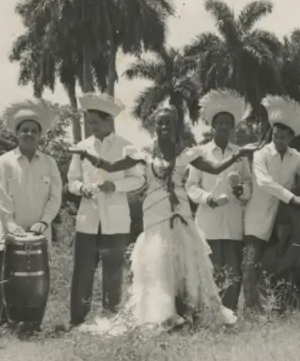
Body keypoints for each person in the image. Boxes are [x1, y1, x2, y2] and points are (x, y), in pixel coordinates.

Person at [69, 106, 260, 332]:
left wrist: (238, 155)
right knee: (158, 259)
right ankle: (162, 314)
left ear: (175, 126)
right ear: (154, 126)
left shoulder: (186, 153)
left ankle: (189, 310)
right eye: (160, 123)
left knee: (185, 258)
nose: (163, 127)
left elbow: (215, 168)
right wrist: (86, 155)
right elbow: (111, 166)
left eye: (168, 123)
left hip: (180, 211)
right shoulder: (144, 154)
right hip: (155, 212)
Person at [68, 93, 144, 328]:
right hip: (88, 219)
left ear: (109, 121)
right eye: (88, 122)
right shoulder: (82, 148)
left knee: (113, 272)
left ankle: (111, 320)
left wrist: (115, 186)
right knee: (83, 271)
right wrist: (81, 188)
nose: (91, 126)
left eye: (95, 122)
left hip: (115, 219)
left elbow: (138, 179)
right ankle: (78, 320)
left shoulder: (125, 146)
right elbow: (72, 180)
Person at [243, 96, 300, 315]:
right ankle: (251, 310)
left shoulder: (295, 157)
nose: (279, 140)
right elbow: (264, 182)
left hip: (283, 220)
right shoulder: (261, 154)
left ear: (291, 138)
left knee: (280, 264)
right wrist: (293, 198)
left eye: (284, 137)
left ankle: (278, 307)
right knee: (251, 263)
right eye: (276, 136)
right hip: (258, 217)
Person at [0, 99, 63, 333]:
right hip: (10, 233)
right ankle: (7, 323)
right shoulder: (4, 162)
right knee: (8, 278)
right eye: (25, 130)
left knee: (36, 279)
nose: (29, 134)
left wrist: (44, 222)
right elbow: (0, 197)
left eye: (34, 130)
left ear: (40, 135)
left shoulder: (49, 163)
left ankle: (34, 323)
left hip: (39, 233)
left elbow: (55, 197)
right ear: (17, 133)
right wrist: (10, 224)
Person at [186, 90, 252, 312]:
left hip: (233, 222)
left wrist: (241, 190)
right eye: (220, 123)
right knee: (209, 270)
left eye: (227, 124)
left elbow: (249, 184)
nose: (224, 127)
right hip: (208, 222)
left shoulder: (240, 154)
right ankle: (209, 313)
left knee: (232, 270)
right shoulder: (200, 153)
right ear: (212, 126)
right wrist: (208, 198)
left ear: (233, 127)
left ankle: (230, 313)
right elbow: (191, 186)